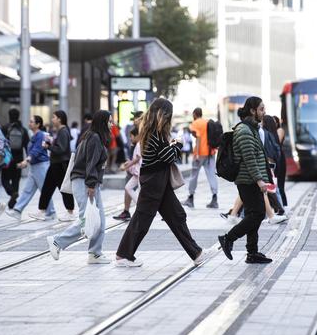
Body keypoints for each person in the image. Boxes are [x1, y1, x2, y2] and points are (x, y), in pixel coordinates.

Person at [116, 98, 206, 267]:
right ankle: (123, 255)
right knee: (143, 218)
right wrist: (178, 144)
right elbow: (167, 156)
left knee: (176, 216)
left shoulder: (151, 131)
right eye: (168, 116)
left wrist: (172, 145)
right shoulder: (154, 133)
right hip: (154, 180)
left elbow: (163, 153)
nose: (169, 120)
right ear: (162, 114)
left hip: (157, 179)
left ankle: (196, 252)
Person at [47, 110, 112, 265]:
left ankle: (95, 253)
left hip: (89, 182)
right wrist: (90, 184)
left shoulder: (94, 137)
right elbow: (90, 163)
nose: (112, 124)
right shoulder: (95, 138)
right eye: (109, 121)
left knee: (99, 221)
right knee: (86, 220)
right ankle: (57, 241)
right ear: (103, 122)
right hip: (85, 182)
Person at [218, 97, 273, 265]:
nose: (264, 112)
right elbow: (249, 159)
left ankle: (252, 253)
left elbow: (255, 156)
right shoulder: (244, 130)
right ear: (252, 110)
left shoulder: (252, 129)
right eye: (261, 109)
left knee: (253, 215)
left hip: (251, 180)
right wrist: (259, 181)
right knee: (257, 214)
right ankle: (228, 238)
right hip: (247, 180)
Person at [31, 110, 76, 221]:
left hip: (60, 164)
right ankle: (42, 210)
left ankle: (70, 212)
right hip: (55, 163)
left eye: (54, 117)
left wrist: (48, 147)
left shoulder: (63, 131)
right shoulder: (61, 131)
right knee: (47, 187)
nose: (52, 119)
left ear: (59, 119)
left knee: (64, 188)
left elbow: (61, 149)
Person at [5, 115, 50, 220]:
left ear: (38, 124)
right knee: (28, 190)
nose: (29, 123)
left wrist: (26, 161)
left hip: (40, 166)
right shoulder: (34, 135)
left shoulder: (40, 135)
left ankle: (50, 211)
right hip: (35, 166)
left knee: (45, 190)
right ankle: (17, 210)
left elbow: (37, 151)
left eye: (32, 122)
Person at [183, 107, 219, 209]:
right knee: (211, 174)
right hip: (210, 152)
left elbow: (198, 137)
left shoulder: (195, 123)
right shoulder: (207, 122)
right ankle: (215, 198)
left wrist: (197, 154)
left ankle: (190, 198)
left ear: (194, 114)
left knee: (194, 175)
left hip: (200, 153)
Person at [2, 108, 29, 209]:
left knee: (4, 179)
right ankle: (13, 199)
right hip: (19, 158)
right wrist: (27, 159)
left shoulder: (4, 128)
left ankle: (11, 193)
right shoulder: (23, 129)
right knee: (16, 179)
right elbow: (27, 145)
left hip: (7, 158)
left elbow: (0, 143)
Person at [113, 127, 142, 222]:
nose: (130, 138)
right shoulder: (138, 144)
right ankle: (141, 207)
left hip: (138, 172)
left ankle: (142, 208)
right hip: (136, 173)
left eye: (132, 136)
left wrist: (126, 166)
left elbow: (137, 159)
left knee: (137, 190)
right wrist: (128, 163)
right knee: (128, 187)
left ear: (137, 136)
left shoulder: (139, 144)